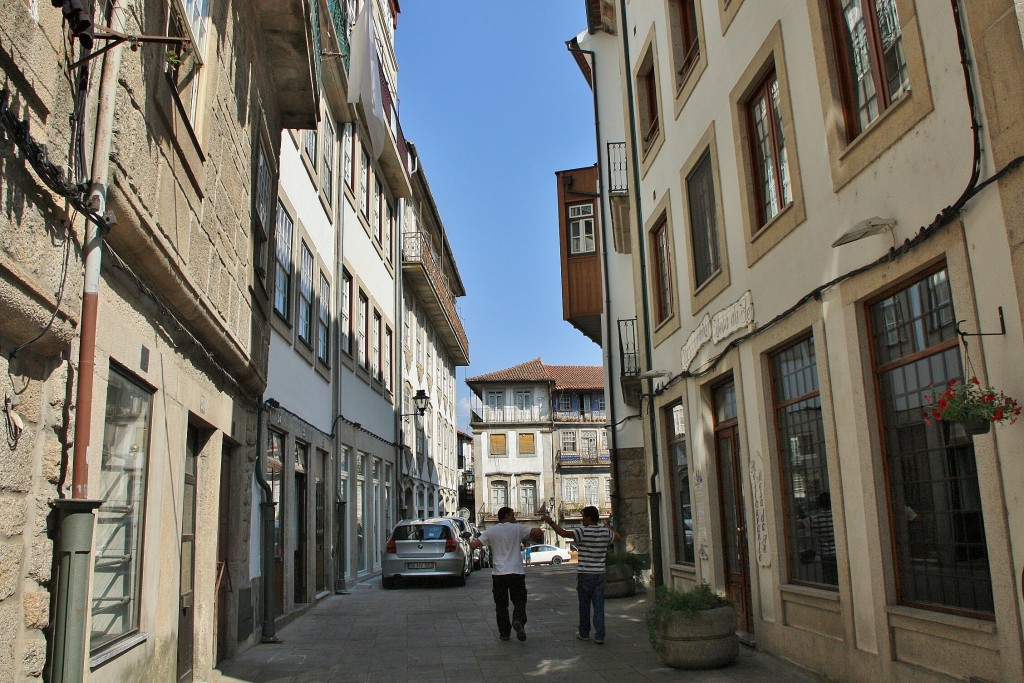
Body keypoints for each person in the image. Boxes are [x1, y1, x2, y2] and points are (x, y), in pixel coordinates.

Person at [541, 506, 620, 644]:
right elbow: (618, 537)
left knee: (584, 606)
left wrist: (551, 522)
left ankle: (584, 633)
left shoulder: (582, 531)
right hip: (600, 573)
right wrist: (609, 527)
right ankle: (600, 635)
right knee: (599, 606)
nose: (582, 519)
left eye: (583, 516)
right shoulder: (605, 532)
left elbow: (564, 534)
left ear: (589, 518)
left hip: (585, 573)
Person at [471, 507, 543, 642]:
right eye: (512, 514)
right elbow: (537, 532)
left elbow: (475, 544)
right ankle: (518, 620)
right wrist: (545, 522)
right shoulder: (518, 528)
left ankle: (504, 633)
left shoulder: (491, 530)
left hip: (499, 574)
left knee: (501, 605)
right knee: (520, 600)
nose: (515, 516)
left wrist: (467, 541)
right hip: (516, 572)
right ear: (507, 515)